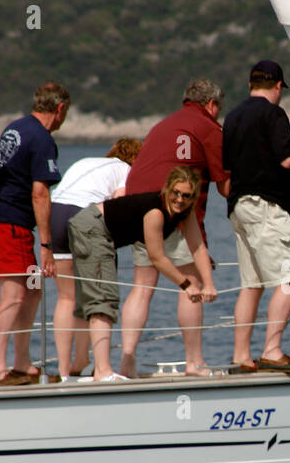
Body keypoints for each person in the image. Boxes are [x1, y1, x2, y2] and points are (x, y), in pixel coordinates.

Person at [118, 79, 229, 377]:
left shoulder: (161, 126)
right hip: (169, 208)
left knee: (142, 287)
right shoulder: (208, 128)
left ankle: (127, 360)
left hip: (136, 209)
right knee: (190, 283)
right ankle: (194, 363)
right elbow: (225, 187)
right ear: (211, 105)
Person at [67, 166, 217, 380]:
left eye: (186, 195)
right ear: (167, 190)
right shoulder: (155, 212)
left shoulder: (185, 212)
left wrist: (209, 284)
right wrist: (186, 285)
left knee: (100, 298)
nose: (180, 200)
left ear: (193, 198)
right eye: (176, 193)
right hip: (92, 228)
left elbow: (198, 248)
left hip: (101, 233)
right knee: (102, 299)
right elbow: (157, 257)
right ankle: (103, 373)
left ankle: (89, 369)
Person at [0, 81, 69, 386]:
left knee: (32, 288)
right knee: (14, 293)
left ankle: (22, 362)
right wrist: (46, 246)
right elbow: (40, 194)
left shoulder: (17, 127)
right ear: (60, 109)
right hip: (7, 223)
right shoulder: (42, 139)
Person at [222, 60, 290, 374]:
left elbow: (227, 169)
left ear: (250, 85)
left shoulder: (232, 117)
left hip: (238, 206)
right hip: (266, 206)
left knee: (252, 284)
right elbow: (286, 159)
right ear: (277, 87)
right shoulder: (274, 114)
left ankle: (241, 355)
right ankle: (272, 350)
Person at [49, 137, 141, 379]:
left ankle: (66, 368)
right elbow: (118, 203)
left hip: (56, 210)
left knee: (67, 297)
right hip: (83, 213)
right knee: (94, 294)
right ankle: (96, 366)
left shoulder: (89, 162)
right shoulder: (126, 170)